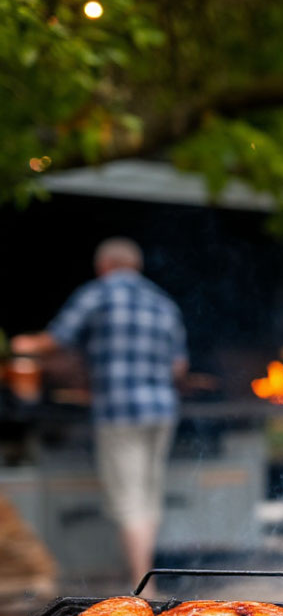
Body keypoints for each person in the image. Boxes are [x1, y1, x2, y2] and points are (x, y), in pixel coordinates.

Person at [12, 237, 188, 583]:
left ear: (103, 266)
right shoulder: (162, 302)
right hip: (162, 410)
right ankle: (145, 575)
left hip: (121, 411)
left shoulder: (98, 293)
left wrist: (22, 344)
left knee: (129, 500)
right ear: (135, 265)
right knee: (148, 498)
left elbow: (56, 339)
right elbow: (179, 368)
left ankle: (143, 583)